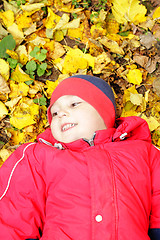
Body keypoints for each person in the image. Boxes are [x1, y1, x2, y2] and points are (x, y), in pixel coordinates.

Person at [0, 74, 160, 240]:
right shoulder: (40, 156)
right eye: (54, 113)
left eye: (74, 104)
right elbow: (14, 209)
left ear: (103, 111)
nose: (61, 113)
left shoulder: (142, 151)